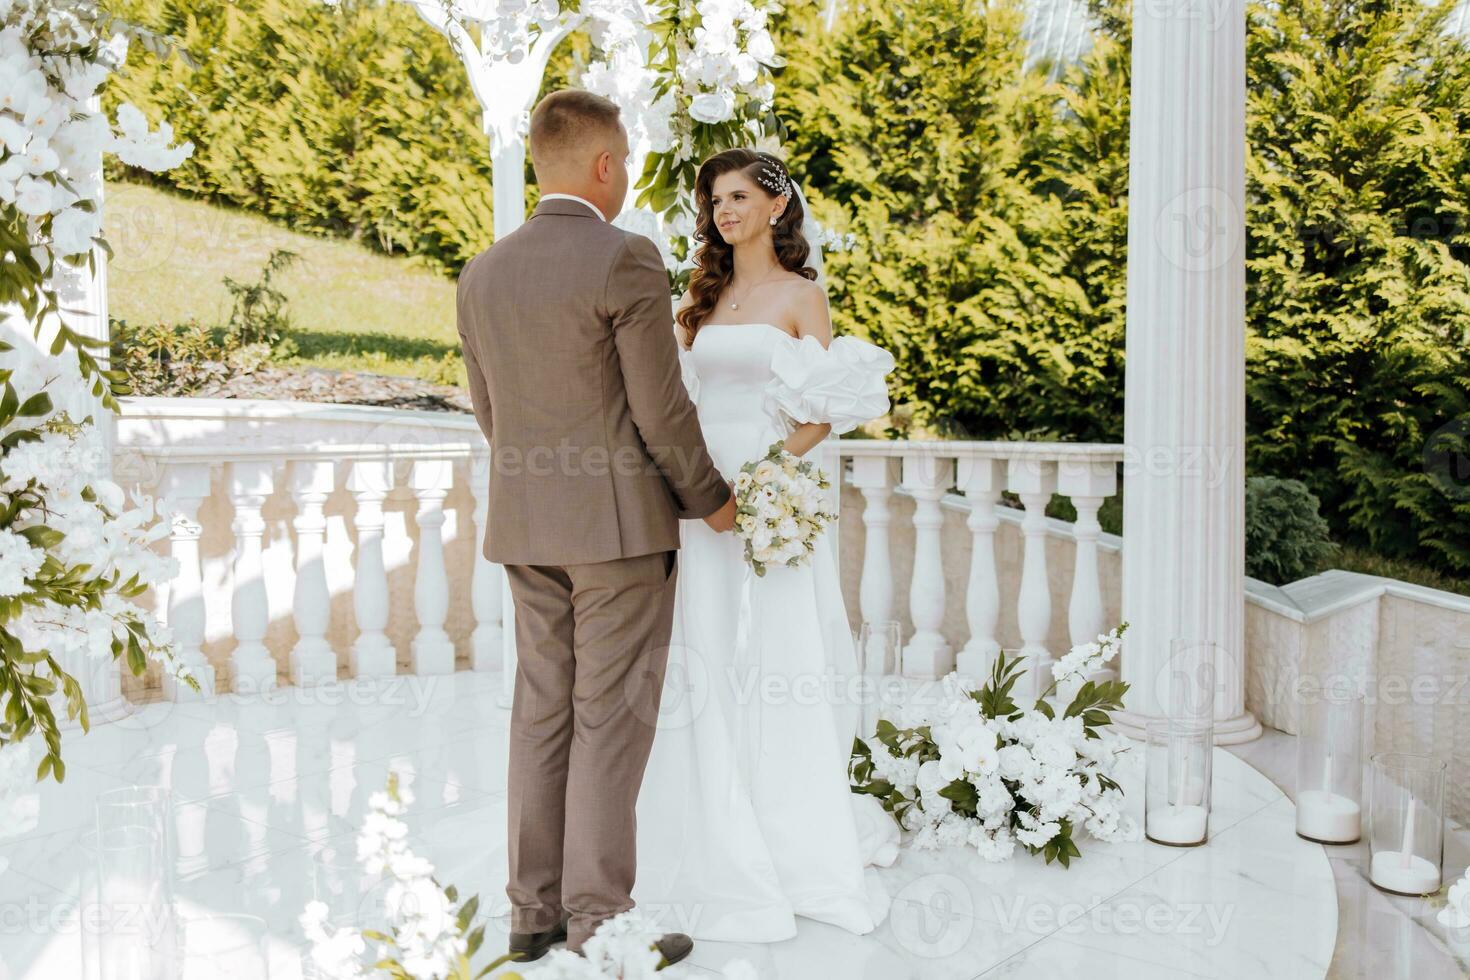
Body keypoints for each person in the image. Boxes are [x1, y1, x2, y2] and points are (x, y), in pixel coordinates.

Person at [454, 88, 737, 965]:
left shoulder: (482, 271)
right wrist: (713, 499)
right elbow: (662, 410)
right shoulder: (623, 257)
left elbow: (490, 412)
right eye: (627, 163)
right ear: (605, 164)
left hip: (528, 530)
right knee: (607, 720)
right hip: (617, 535)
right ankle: (602, 922)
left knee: (541, 714)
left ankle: (532, 915)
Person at [631, 148, 899, 941]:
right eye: (716, 199)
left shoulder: (802, 296)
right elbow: (678, 393)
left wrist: (770, 477)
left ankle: (786, 835)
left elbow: (824, 410)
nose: (724, 210)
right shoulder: (702, 294)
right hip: (698, 491)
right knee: (705, 647)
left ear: (777, 207)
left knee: (777, 656)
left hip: (764, 492)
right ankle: (709, 822)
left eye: (740, 196)